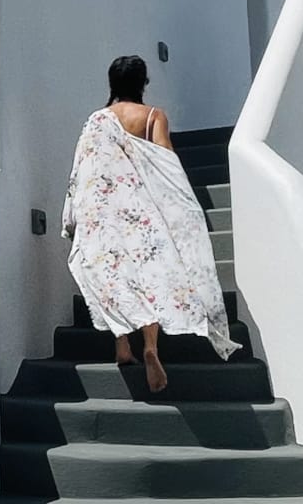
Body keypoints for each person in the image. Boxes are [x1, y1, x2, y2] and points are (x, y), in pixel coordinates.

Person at [62, 54, 239, 391]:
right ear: (143, 83)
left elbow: (82, 171)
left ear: (112, 84)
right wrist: (184, 205)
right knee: (151, 275)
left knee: (116, 275)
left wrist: (74, 214)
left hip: (106, 214)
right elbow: (165, 161)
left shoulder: (97, 119)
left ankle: (122, 344)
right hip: (143, 210)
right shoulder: (153, 116)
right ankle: (151, 348)